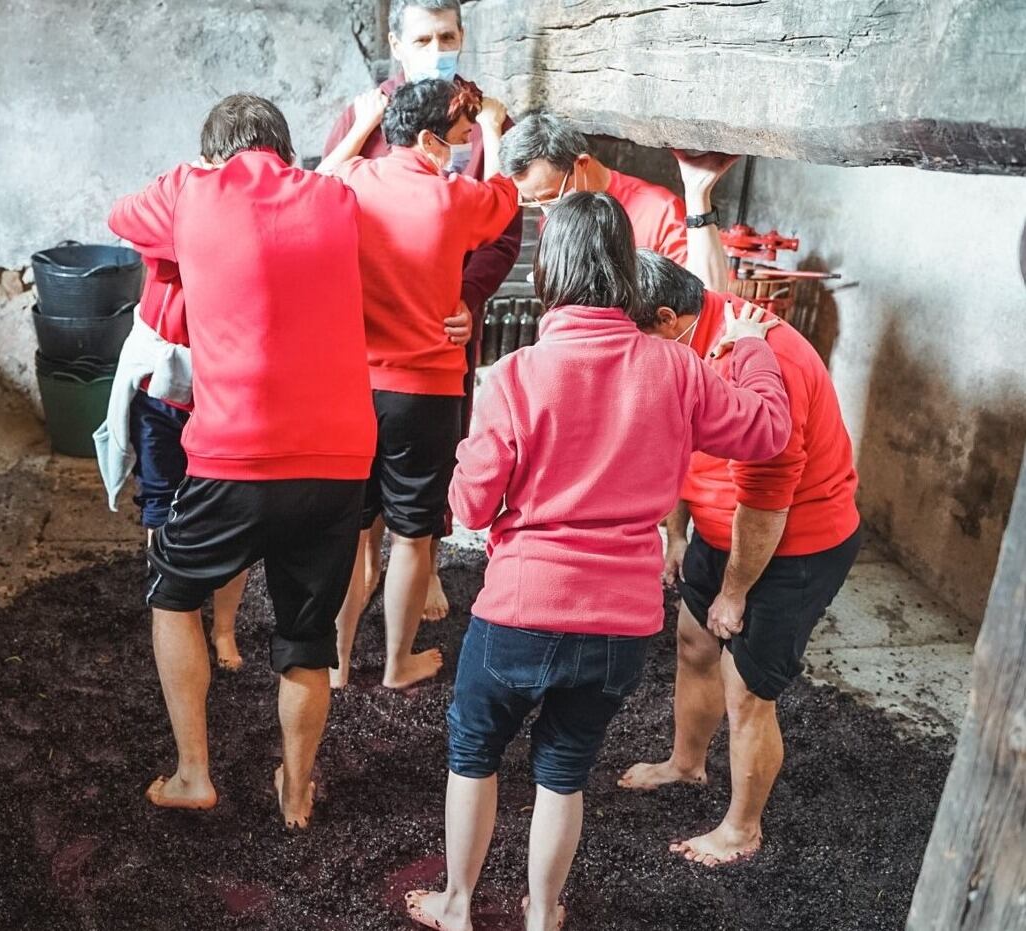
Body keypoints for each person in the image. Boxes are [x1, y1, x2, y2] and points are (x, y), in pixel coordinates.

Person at [404, 192, 791, 931]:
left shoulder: (515, 375)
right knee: (563, 769)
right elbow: (767, 430)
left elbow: (471, 507)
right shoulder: (676, 367)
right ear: (623, 269)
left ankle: (457, 906)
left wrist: (467, 456)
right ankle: (542, 913)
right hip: (620, 624)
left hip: (519, 610)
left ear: (548, 269)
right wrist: (750, 346)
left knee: (475, 753)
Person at [108, 94, 376, 829]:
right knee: (306, 637)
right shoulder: (335, 195)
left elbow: (120, 216)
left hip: (235, 452)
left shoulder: (191, 190)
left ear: (212, 154)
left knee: (172, 597)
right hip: (337, 457)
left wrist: (195, 171)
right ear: (286, 153)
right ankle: (295, 788)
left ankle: (195, 772)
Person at [618, 248, 863, 867]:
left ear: (669, 317)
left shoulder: (761, 362)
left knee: (746, 685)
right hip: (722, 526)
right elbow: (677, 446)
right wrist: (679, 535)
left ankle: (741, 829)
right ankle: (686, 764)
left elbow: (765, 503)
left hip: (794, 539)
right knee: (693, 642)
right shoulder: (686, 341)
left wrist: (735, 592)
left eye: (630, 333)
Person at [324, 0, 524, 622]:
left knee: (429, 468)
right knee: (377, 488)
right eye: (423, 37)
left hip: (441, 328)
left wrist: (467, 297)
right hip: (379, 348)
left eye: (447, 35)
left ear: (462, 37)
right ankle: (376, 568)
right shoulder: (368, 116)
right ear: (396, 43)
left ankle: (421, 568)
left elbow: (504, 237)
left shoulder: (482, 113)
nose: (436, 47)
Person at [127, 272, 249, 671]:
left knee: (235, 514)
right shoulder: (171, 217)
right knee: (160, 509)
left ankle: (224, 628)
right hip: (161, 391)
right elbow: (126, 219)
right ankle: (176, 616)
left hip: (230, 389)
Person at [499, 111, 689, 263]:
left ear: (581, 164)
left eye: (552, 196)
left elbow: (692, 299)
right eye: (535, 201)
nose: (547, 210)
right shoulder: (555, 218)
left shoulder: (659, 211)